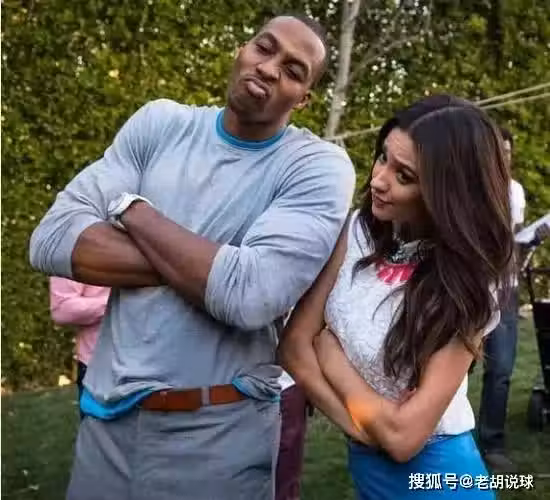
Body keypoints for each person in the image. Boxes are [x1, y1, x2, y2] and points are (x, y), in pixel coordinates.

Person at [29, 13, 356, 500]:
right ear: (242, 50)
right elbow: (51, 239)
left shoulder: (316, 167)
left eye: (293, 71)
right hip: (103, 426)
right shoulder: (161, 124)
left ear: (303, 99)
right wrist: (212, 267)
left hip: (217, 435)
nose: (269, 69)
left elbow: (250, 297)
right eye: (264, 48)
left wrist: (131, 209)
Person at [280, 94, 513, 499]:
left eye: (404, 176)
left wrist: (330, 355)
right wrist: (366, 432)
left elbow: (406, 439)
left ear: (446, 193)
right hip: (368, 463)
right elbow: (293, 347)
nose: (378, 180)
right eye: (382, 157)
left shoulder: (469, 280)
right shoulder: (358, 230)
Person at [477, 127, 525, 472]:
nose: (503, 158)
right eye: (498, 151)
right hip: (470, 289)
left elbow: (514, 238)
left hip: (505, 290)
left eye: (507, 152)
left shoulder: (515, 190)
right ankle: (439, 437)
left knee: (501, 370)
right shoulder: (467, 188)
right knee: (452, 367)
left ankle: (492, 444)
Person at [49, 277, 110, 414]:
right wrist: (119, 303)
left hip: (155, 361)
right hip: (101, 366)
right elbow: (62, 309)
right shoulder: (72, 260)